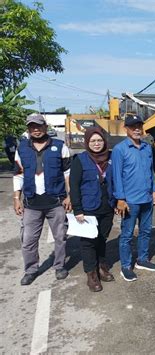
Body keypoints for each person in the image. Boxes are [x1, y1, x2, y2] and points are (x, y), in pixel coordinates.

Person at [13, 114, 71, 285]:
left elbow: (68, 173)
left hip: (56, 202)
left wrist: (69, 196)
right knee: (28, 239)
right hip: (31, 203)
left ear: (45, 127)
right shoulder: (22, 148)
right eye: (32, 127)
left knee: (60, 236)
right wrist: (17, 198)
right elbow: (18, 174)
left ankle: (59, 266)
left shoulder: (60, 146)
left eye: (39, 126)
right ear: (28, 129)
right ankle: (31, 269)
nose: (36, 129)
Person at [112, 114, 155, 282]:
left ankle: (142, 259)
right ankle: (126, 266)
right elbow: (117, 176)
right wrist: (120, 199)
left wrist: (154, 190)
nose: (137, 129)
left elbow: (150, 171)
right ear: (126, 129)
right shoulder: (120, 150)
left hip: (146, 198)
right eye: (133, 126)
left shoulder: (147, 148)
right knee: (127, 234)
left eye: (139, 125)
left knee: (146, 231)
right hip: (130, 200)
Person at [69, 128, 115, 292]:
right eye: (93, 141)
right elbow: (74, 187)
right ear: (87, 143)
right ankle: (91, 274)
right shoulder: (80, 160)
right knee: (88, 242)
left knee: (102, 238)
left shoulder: (111, 158)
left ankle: (102, 266)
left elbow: (114, 181)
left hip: (107, 206)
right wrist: (78, 209)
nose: (97, 144)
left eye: (100, 141)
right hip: (88, 208)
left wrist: (117, 202)